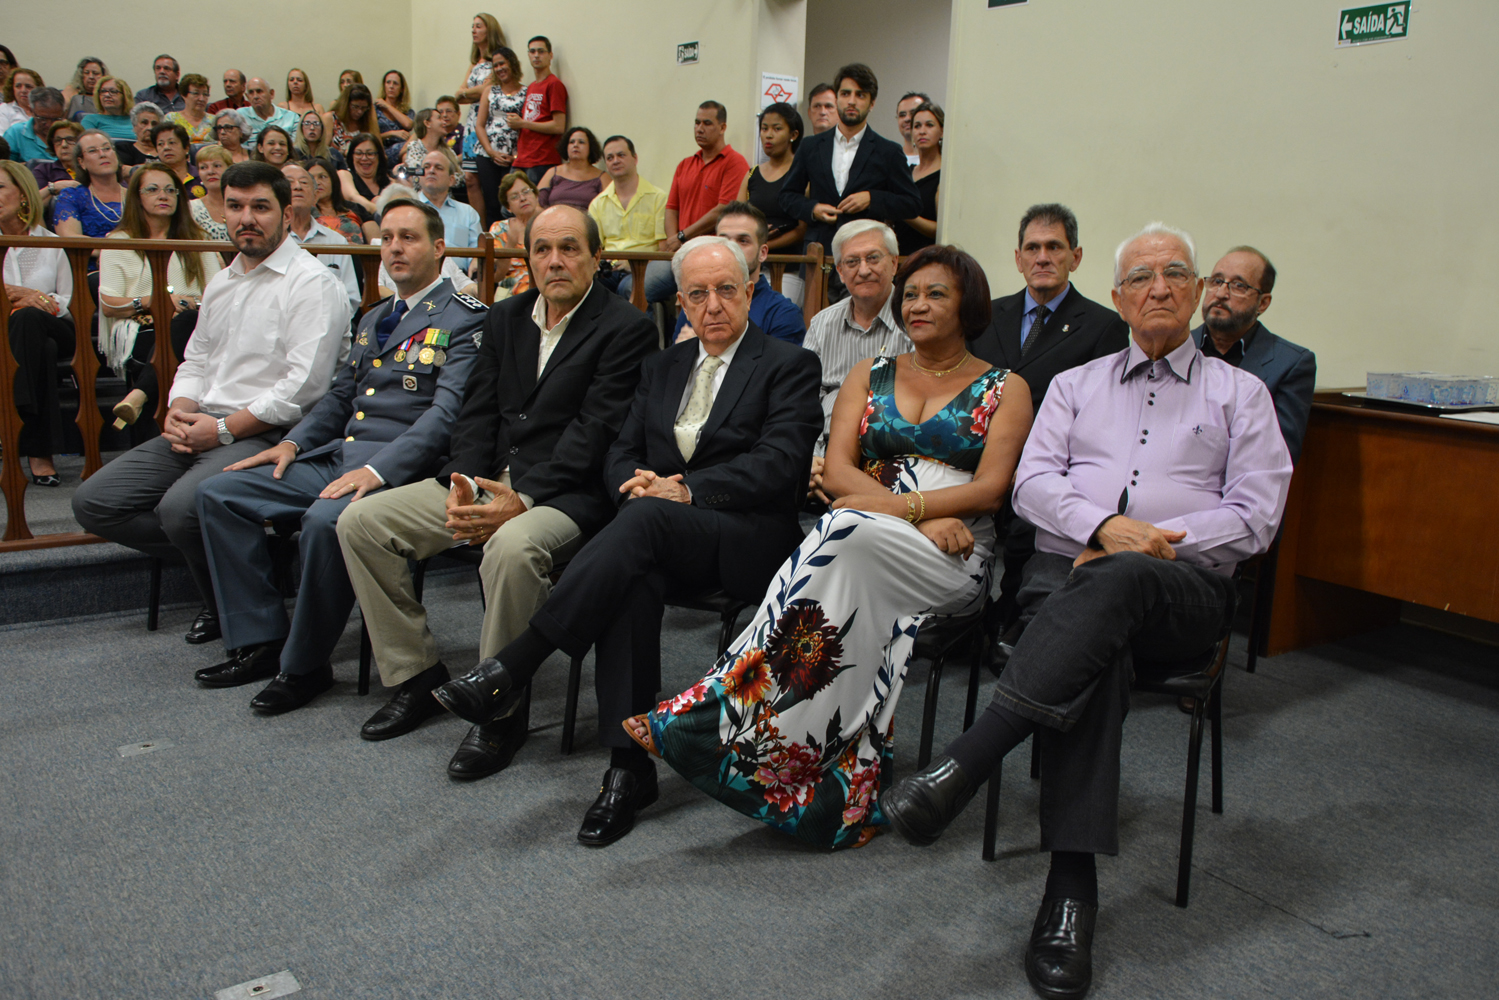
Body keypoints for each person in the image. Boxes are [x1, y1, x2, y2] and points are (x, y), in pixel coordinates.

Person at [884, 223, 1294, 1000]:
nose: (1159, 288)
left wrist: (1153, 543)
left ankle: (968, 760)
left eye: (1176, 274)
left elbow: (1256, 515)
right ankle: (1068, 894)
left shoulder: (1241, 395)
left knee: (1119, 587)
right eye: (1141, 277)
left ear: (1200, 290)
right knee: (1095, 645)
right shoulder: (1075, 384)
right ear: (1117, 298)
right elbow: (1033, 487)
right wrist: (1104, 528)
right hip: (1065, 573)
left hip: (1183, 590)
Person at [618, 243, 1030, 849]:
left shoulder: (1006, 386)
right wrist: (911, 518)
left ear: (969, 304)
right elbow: (836, 471)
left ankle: (720, 703)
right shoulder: (871, 373)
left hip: (954, 555)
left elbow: (992, 491)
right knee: (844, 538)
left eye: (935, 293)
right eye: (910, 293)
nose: (916, 304)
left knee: (841, 530)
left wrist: (908, 514)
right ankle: (833, 790)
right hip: (879, 536)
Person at [430, 235, 821, 842]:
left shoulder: (788, 364)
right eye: (696, 294)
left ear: (750, 290)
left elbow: (779, 464)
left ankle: (515, 664)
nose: (712, 304)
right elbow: (619, 451)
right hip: (660, 536)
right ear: (683, 305)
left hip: (746, 539)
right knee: (631, 575)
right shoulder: (664, 366)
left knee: (638, 526)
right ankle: (626, 768)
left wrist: (683, 491)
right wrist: (634, 484)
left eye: (725, 289)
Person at [336, 204, 657, 763]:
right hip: (484, 479)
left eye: (569, 248)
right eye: (541, 250)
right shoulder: (505, 318)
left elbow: (597, 432)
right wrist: (464, 483)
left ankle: (497, 709)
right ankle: (415, 676)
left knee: (511, 547)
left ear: (596, 257)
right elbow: (475, 413)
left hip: (564, 494)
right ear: (526, 257)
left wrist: (521, 500)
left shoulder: (626, 328)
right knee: (362, 522)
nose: (554, 261)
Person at [194, 197, 481, 699]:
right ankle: (260, 637)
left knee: (326, 523)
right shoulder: (373, 318)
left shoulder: (466, 318)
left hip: (400, 470)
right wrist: (292, 441)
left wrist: (378, 471)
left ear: (439, 249)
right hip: (338, 457)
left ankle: (303, 666)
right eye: (387, 238)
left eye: (408, 238)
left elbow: (445, 415)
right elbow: (342, 397)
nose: (394, 248)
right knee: (218, 494)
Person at [72, 161, 352, 646]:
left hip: (267, 431)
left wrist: (220, 432)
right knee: (96, 503)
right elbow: (196, 359)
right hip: (203, 422)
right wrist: (179, 406)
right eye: (236, 206)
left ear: (286, 214)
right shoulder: (222, 282)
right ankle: (243, 569)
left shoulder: (311, 282)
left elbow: (303, 388)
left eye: (261, 207)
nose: (247, 217)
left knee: (182, 509)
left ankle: (231, 604)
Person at [968, 204, 1130, 631]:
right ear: (1018, 258)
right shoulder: (985, 316)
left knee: (1027, 536)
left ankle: (1016, 622)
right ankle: (958, 612)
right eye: (1032, 247)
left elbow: (1103, 417)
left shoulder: (1103, 326)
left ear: (1075, 257)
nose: (1042, 257)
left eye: (1054, 247)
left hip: (1047, 465)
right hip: (977, 457)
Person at [95, 164, 224, 434]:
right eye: (152, 190)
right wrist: (154, 301)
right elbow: (108, 304)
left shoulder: (196, 239)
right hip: (140, 328)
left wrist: (188, 303)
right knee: (171, 338)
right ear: (137, 197)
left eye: (170, 190)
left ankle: (138, 396)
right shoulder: (119, 241)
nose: (163, 196)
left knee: (185, 325)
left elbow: (218, 296)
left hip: (194, 325)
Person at [779, 63, 922, 269]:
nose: (852, 101)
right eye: (845, 93)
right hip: (819, 253)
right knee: (814, 303)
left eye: (861, 95)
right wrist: (813, 209)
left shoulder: (888, 151)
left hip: (866, 255)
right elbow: (787, 196)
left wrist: (871, 198)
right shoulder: (810, 146)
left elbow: (911, 203)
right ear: (837, 98)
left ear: (872, 103)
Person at [803, 221, 913, 465]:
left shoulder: (913, 321)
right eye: (852, 262)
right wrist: (812, 460)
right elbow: (802, 401)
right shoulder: (822, 323)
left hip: (888, 456)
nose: (863, 270)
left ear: (894, 263)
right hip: (821, 455)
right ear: (840, 271)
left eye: (873, 258)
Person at [1193, 246, 1316, 463]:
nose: (1221, 294)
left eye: (1239, 285)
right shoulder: (1178, 346)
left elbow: (1278, 454)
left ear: (1263, 303)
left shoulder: (1290, 363)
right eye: (1217, 281)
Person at [0, 161, 75, 485]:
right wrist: (16, 295)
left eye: (0, 187)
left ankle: (7, 425)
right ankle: (38, 451)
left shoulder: (49, 241)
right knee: (39, 349)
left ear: (23, 193)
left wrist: (26, 300)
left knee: (31, 318)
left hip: (56, 324)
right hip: (12, 334)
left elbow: (66, 299)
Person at [645, 101, 749, 305]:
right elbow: (671, 208)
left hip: (711, 252)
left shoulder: (734, 162)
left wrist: (683, 237)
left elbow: (723, 210)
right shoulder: (685, 164)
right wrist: (673, 240)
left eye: (707, 123)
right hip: (680, 249)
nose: (700, 128)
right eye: (697, 122)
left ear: (722, 127)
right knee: (632, 285)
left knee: (647, 286)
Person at [673, 201, 804, 345]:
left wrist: (701, 348)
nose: (731, 248)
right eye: (723, 240)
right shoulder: (696, 299)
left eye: (743, 241)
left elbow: (780, 366)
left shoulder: (783, 314)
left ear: (762, 253)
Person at [737, 102, 806, 303]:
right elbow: (736, 218)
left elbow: (802, 230)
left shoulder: (802, 173)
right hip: (752, 265)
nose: (768, 135)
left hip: (788, 268)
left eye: (777, 129)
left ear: (793, 135)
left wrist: (764, 245)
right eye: (764, 128)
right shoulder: (752, 174)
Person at [587, 134, 666, 298]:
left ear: (635, 158)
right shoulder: (597, 204)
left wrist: (634, 264)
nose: (615, 161)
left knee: (628, 288)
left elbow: (663, 249)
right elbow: (595, 249)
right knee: (588, 289)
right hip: (611, 270)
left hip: (645, 267)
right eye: (610, 157)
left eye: (621, 155)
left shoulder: (658, 198)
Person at [282, 162, 360, 312]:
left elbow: (350, 299)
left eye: (304, 182)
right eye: (289, 182)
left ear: (315, 196)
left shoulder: (336, 241)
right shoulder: (269, 241)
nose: (297, 186)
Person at [456, 13, 507, 211]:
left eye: (479, 26)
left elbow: (489, 89)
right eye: (473, 26)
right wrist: (472, 92)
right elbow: (458, 95)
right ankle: (480, 229)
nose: (474, 30)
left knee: (488, 180)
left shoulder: (497, 59)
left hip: (489, 121)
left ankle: (494, 225)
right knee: (470, 178)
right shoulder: (474, 62)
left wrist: (470, 93)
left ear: (490, 30)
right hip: (471, 123)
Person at [471, 45, 525, 227]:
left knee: (511, 203)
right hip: (488, 154)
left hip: (515, 156)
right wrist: (491, 152)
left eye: (503, 63)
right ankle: (494, 245)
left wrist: (516, 156)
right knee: (492, 204)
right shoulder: (490, 91)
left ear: (512, 64)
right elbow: (479, 124)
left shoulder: (526, 92)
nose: (500, 68)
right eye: (495, 65)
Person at [511, 36, 568, 184]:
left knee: (537, 204)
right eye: (532, 51)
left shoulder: (554, 84)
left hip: (542, 159)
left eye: (541, 51)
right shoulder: (531, 86)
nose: (536, 55)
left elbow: (558, 126)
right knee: (509, 204)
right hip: (523, 158)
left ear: (550, 55)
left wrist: (523, 124)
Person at [53, 130, 124, 245]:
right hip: (91, 260)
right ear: (81, 162)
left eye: (107, 148)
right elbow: (69, 237)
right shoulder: (72, 196)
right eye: (92, 151)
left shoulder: (134, 193)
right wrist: (112, 253)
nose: (102, 154)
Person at [892, 101, 942, 257]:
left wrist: (906, 214)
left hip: (928, 258)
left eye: (929, 125)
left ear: (942, 131)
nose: (922, 131)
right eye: (917, 126)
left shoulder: (945, 176)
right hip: (899, 258)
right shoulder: (906, 173)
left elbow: (941, 229)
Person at [414, 146, 480, 250]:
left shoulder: (468, 213)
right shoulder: (407, 208)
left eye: (439, 168)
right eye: (426, 167)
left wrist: (474, 265)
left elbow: (478, 253)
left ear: (451, 180)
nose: (431, 171)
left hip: (460, 267)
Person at [486, 169, 538, 296]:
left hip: (544, 290)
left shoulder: (551, 224)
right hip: (511, 294)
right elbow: (496, 277)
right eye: (514, 197)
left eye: (526, 192)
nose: (522, 198)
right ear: (508, 207)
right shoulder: (499, 229)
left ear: (535, 195)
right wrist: (510, 243)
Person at [535, 126, 602, 211]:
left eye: (581, 142)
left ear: (590, 148)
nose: (575, 145)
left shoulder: (601, 177)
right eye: (571, 142)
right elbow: (537, 204)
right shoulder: (553, 172)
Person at [308, 155, 368, 245]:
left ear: (333, 180)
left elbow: (375, 243)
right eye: (312, 178)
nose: (317, 182)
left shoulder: (355, 208)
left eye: (322, 177)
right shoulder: (304, 213)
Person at [31, 121, 82, 221]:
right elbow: (32, 206)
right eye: (58, 140)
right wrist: (53, 188)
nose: (64, 145)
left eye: (70, 139)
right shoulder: (43, 170)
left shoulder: (91, 169)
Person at [339, 132, 394, 216]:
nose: (364, 158)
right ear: (352, 156)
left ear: (378, 156)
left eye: (370, 154)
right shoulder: (344, 174)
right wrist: (379, 211)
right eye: (358, 153)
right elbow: (352, 197)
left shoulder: (390, 180)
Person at [4, 85, 63, 163]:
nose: (49, 124)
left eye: (55, 119)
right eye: (43, 119)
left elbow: (76, 171)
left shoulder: (70, 135)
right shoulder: (15, 134)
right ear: (31, 111)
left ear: (63, 114)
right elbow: (5, 167)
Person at [240, 78, 300, 151]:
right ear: (247, 96)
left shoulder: (292, 118)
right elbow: (241, 150)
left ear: (271, 94)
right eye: (251, 92)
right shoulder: (240, 116)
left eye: (259, 91)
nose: (255, 96)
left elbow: (294, 150)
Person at [189, 144, 232, 240]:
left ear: (229, 169)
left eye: (217, 166)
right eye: (203, 167)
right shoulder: (191, 209)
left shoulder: (244, 204)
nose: (210, 171)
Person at [152, 122, 205, 198]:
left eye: (172, 142)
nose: (166, 148)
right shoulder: (152, 177)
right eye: (160, 144)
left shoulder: (201, 175)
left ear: (186, 148)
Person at [373, 69, 412, 163]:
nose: (391, 86)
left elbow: (408, 124)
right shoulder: (375, 109)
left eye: (395, 83)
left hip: (403, 151)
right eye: (388, 82)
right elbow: (371, 136)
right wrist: (391, 133)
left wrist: (387, 106)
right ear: (384, 86)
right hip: (381, 150)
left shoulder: (407, 111)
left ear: (402, 89)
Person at [80, 76, 135, 142]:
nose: (107, 95)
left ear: (125, 96)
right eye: (103, 91)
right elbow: (88, 144)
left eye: (113, 91)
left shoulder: (136, 120)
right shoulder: (90, 120)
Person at [165, 74, 214, 144]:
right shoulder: (171, 119)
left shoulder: (214, 121)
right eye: (196, 93)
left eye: (205, 94)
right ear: (184, 95)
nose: (201, 99)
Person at [114, 102, 161, 169]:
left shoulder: (165, 150)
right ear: (134, 125)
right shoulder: (124, 148)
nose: (150, 128)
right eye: (144, 123)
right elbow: (124, 172)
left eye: (154, 124)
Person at [62, 57, 106, 121]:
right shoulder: (72, 90)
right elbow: (61, 109)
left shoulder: (108, 94)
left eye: (96, 73)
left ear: (103, 76)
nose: (91, 77)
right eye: (87, 73)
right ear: (81, 75)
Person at [894, 91, 929, 167]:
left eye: (913, 113)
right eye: (902, 115)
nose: (907, 119)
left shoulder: (943, 161)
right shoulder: (891, 159)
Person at [0, 68, 40, 133]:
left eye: (28, 86)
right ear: (12, 88)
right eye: (18, 86)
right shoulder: (4, 109)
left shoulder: (45, 110)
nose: (23, 90)